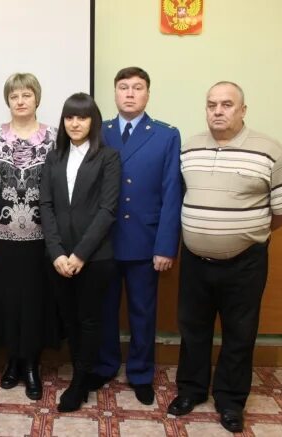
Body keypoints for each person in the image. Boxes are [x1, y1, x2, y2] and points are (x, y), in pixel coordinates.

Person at [167, 81, 282, 433]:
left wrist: (246, 232)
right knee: (192, 330)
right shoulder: (190, 147)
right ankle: (191, 391)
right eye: (211, 105)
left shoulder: (270, 150)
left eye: (227, 105)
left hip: (245, 263)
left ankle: (230, 401)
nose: (218, 111)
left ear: (243, 110)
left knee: (239, 334)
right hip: (195, 260)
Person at [0, 72, 60, 401]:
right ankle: (13, 362)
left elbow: (63, 189)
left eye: (26, 95)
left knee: (36, 302)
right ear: (8, 101)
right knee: (7, 301)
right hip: (1, 237)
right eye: (14, 96)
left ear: (37, 98)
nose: (20, 101)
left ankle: (32, 365)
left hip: (41, 238)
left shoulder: (53, 137)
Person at [96, 67, 182, 405]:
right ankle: (105, 365)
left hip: (145, 242)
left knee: (143, 311)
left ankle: (141, 372)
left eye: (137, 88)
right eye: (123, 87)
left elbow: (172, 192)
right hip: (103, 241)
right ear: (114, 93)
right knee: (104, 308)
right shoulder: (98, 132)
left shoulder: (165, 135)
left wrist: (165, 245)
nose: (130, 93)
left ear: (148, 94)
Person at [40, 93, 120, 412]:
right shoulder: (53, 156)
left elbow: (107, 210)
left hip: (95, 257)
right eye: (70, 117)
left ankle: (80, 383)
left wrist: (80, 255)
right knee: (70, 320)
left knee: (89, 320)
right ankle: (80, 370)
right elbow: (45, 205)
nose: (75, 123)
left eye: (82, 117)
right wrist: (57, 252)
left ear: (93, 121)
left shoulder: (108, 157)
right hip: (58, 258)